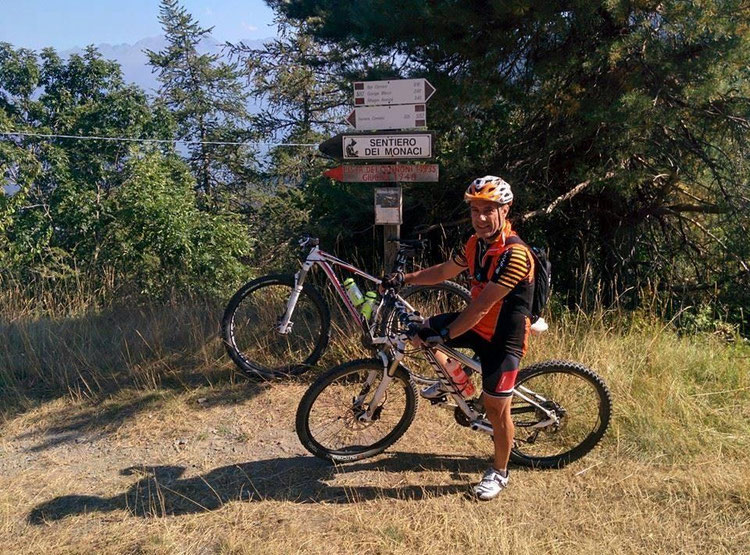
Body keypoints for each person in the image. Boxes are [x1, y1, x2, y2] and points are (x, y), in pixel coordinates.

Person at [382, 175, 535, 500]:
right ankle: (458, 382)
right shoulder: (475, 244)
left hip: (503, 338)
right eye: (475, 210)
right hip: (476, 326)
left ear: (505, 210)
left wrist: (447, 333)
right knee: (421, 331)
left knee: (496, 410)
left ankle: (500, 472)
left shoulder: (515, 255)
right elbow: (443, 272)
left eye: (488, 210)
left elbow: (481, 307)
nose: (480, 218)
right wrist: (405, 278)